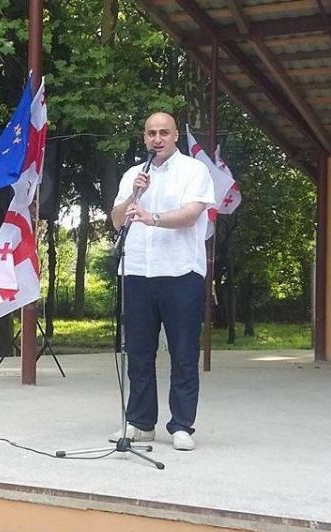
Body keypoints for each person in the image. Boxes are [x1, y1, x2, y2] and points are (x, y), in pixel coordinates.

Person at [108, 112, 215, 451]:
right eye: (151, 133)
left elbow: (192, 214)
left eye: (164, 132)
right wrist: (133, 196)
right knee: (139, 353)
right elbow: (116, 220)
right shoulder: (133, 175)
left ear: (175, 136)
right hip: (138, 271)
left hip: (180, 272)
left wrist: (151, 218)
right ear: (144, 138)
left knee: (183, 352)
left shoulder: (194, 170)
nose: (157, 139)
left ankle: (181, 425)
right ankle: (141, 423)